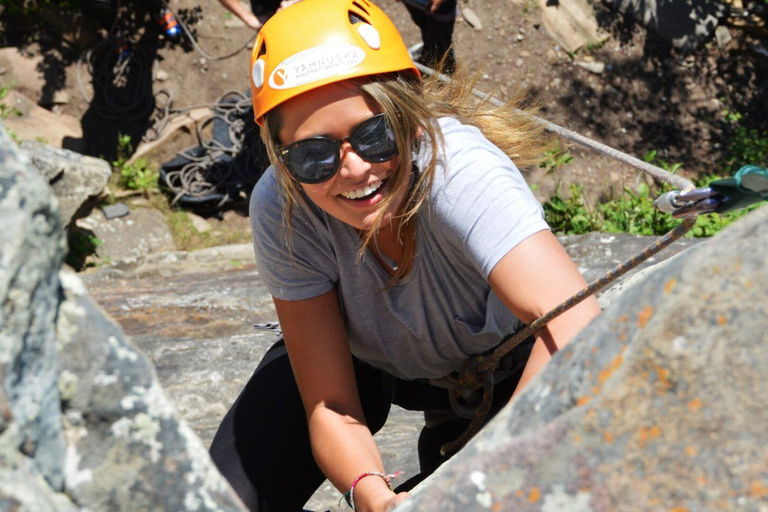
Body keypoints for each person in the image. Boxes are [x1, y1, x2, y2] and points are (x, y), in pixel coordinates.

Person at [208, 0, 602, 510]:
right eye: (313, 155)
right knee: (224, 497)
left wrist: (485, 469)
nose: (352, 170)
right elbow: (332, 404)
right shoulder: (281, 207)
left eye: (375, 135)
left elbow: (575, 324)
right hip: (364, 361)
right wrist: (371, 493)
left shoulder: (459, 171)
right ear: (281, 160)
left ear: (411, 114)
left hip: (495, 370)